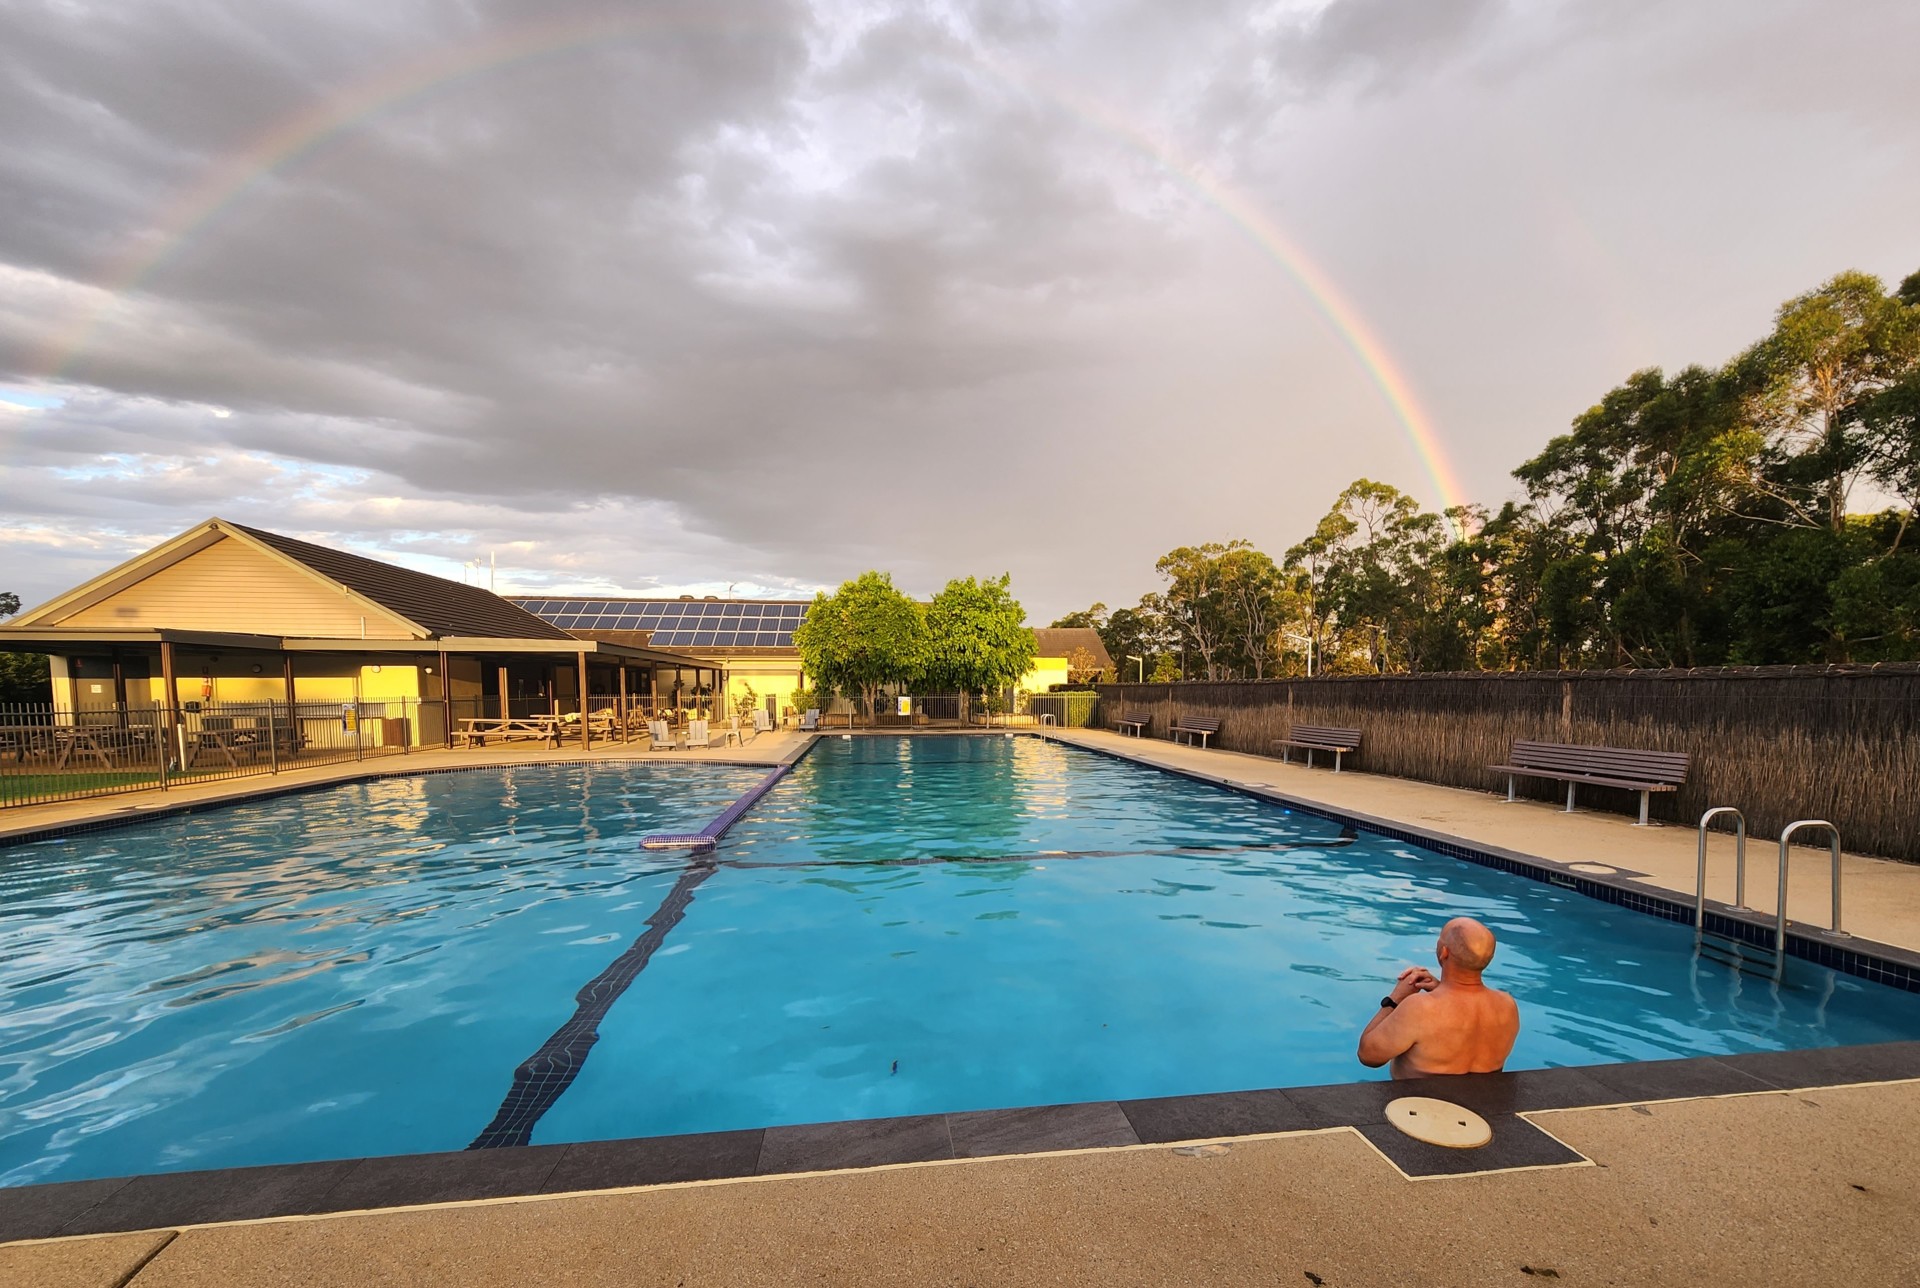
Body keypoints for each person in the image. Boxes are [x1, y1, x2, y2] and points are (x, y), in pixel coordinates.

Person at [1357, 917, 1520, 1079]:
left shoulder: (1419, 1009)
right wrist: (1439, 988)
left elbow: (1368, 1056)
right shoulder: (1507, 1005)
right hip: (1487, 1095)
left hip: (1420, 1095)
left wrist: (1396, 999)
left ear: (1444, 952)